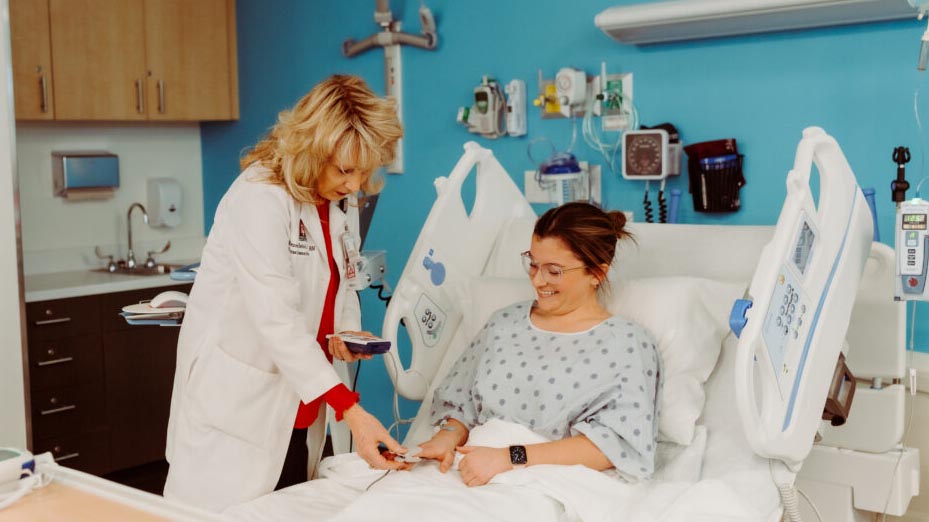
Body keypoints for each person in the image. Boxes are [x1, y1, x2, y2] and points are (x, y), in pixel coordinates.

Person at [163, 74, 406, 512]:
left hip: (301, 401)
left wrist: (345, 333)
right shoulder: (259, 197)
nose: (355, 185)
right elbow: (277, 320)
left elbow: (343, 280)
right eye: (345, 170)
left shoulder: (336, 200)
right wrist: (351, 410)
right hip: (240, 405)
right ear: (312, 148)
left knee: (288, 505)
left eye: (364, 171)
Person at [416, 202, 662, 487]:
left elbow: (615, 445)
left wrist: (509, 458)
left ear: (597, 273)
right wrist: (444, 438)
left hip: (551, 478)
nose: (537, 279)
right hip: (469, 464)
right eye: (533, 263)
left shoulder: (627, 343)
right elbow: (461, 406)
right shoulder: (504, 323)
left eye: (554, 271)